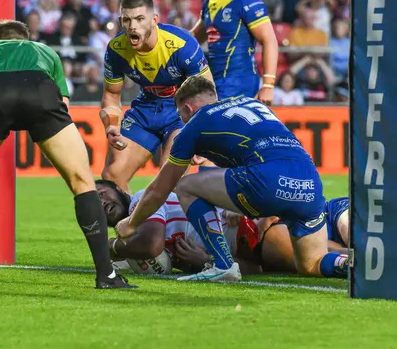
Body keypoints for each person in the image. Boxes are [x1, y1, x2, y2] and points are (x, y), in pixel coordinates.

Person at [0, 20, 135, 290]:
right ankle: (106, 275)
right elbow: (63, 104)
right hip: (41, 94)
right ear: (27, 37)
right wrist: (49, 135)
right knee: (83, 183)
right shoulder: (45, 52)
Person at [116, 76, 348, 282]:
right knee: (311, 264)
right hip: (309, 182)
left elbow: (160, 188)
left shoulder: (195, 124)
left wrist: (132, 223)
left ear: (187, 108)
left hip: (268, 180)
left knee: (185, 185)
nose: (181, 122)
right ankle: (353, 264)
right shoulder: (252, 103)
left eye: (180, 116)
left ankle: (222, 265)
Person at [100, 0, 213, 192]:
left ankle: (167, 222)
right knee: (112, 177)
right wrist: (111, 125)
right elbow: (111, 94)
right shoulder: (116, 50)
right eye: (127, 20)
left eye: (139, 19)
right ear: (120, 21)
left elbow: (207, 94)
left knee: (169, 177)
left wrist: (202, 137)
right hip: (146, 108)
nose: (132, 26)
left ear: (154, 21)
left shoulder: (182, 45)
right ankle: (132, 223)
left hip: (182, 111)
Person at [95, 179, 263, 274]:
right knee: (277, 267)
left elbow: (151, 245)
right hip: (245, 253)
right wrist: (205, 262)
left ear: (119, 188)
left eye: (101, 194)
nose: (101, 203)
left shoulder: (142, 200)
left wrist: (111, 248)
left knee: (288, 259)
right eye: (94, 206)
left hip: (248, 229)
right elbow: (257, 270)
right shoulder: (133, 238)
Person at [190, 0, 279, 104]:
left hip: (240, 85)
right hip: (216, 85)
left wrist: (268, 85)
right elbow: (194, 37)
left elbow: (269, 40)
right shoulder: (209, 1)